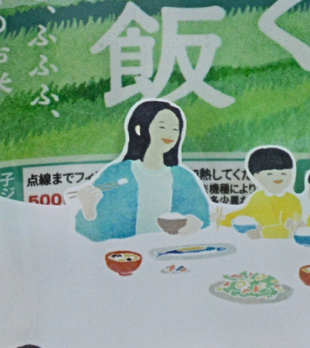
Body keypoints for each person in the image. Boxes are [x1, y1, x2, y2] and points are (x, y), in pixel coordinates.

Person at [74, 100, 210, 242]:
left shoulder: (182, 176)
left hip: (169, 250)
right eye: (162, 126)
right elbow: (93, 232)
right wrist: (89, 208)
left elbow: (202, 214)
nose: (169, 134)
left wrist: (196, 222)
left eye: (175, 129)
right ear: (139, 129)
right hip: (127, 251)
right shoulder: (118, 174)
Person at [221, 146, 303, 238]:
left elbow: (290, 228)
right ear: (256, 176)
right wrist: (224, 219)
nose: (278, 177)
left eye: (283, 173)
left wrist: (262, 232)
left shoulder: (291, 200)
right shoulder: (258, 197)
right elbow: (246, 213)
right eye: (269, 174)